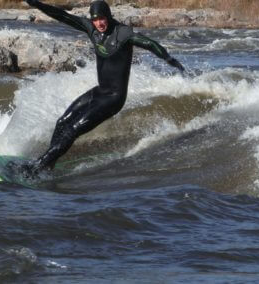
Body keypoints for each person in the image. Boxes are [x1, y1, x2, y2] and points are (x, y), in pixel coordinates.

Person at [21, 0, 185, 177]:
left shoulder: (124, 34)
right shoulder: (91, 29)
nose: (99, 23)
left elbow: (151, 44)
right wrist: (36, 3)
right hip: (100, 91)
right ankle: (49, 163)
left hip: (114, 98)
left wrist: (170, 60)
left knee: (72, 130)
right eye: (95, 19)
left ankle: (37, 167)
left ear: (109, 16)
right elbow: (62, 16)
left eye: (102, 19)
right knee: (62, 122)